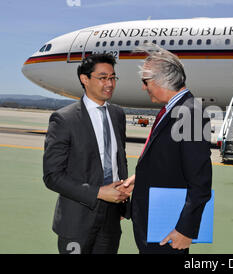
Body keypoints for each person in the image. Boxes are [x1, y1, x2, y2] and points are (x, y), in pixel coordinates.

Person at [119, 46, 212, 254]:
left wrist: (186, 230)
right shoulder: (176, 109)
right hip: (157, 225)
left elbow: (201, 181)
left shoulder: (190, 113)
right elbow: (172, 161)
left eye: (145, 82)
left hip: (169, 231)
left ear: (163, 80)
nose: (144, 88)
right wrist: (141, 176)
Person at [43, 53, 130, 254]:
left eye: (112, 77)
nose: (109, 83)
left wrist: (123, 190)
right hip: (77, 220)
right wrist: (99, 192)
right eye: (102, 78)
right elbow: (52, 176)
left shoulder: (118, 115)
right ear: (85, 79)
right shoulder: (64, 119)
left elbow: (119, 159)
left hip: (111, 217)